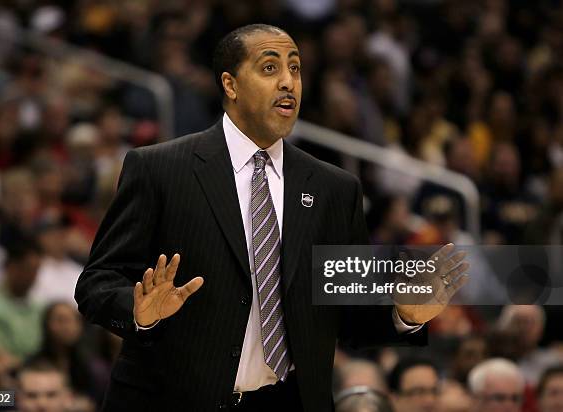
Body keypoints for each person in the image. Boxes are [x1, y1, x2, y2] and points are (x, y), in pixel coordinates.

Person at [75, 24, 468, 411]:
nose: (288, 82)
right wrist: (139, 312)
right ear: (230, 85)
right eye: (270, 68)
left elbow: (351, 314)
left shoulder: (335, 188)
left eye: (295, 69)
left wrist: (403, 315)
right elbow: (96, 283)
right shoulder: (160, 169)